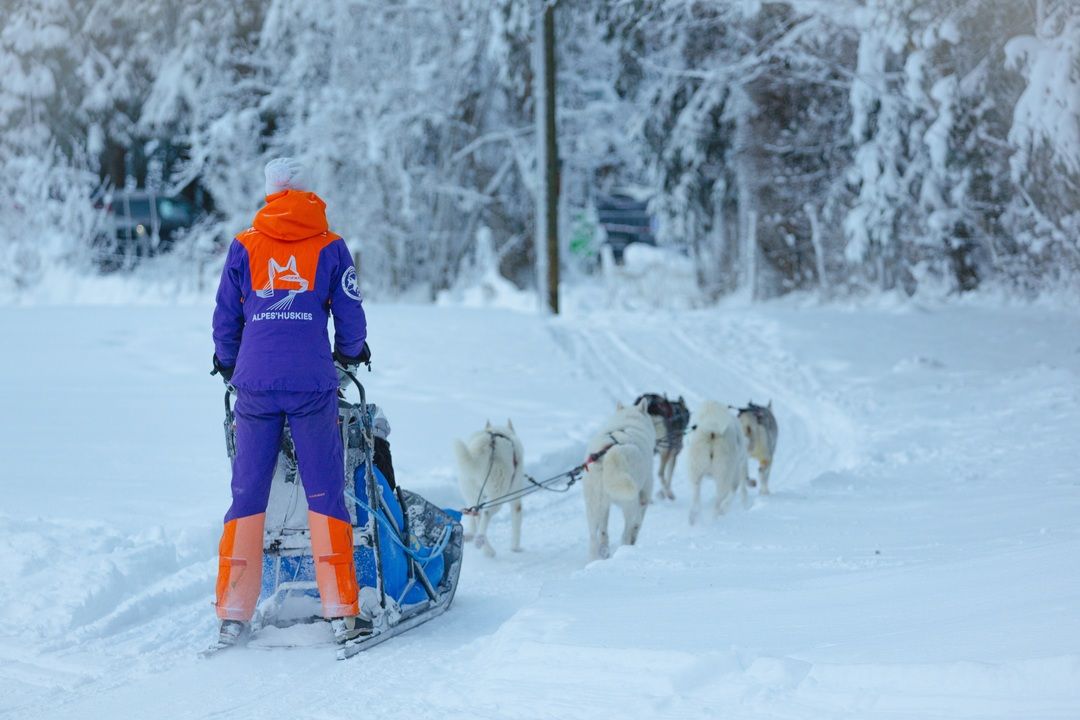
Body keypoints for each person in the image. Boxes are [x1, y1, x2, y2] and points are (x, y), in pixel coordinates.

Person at [210, 158, 371, 647]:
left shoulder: (245, 245)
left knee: (247, 496)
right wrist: (350, 353)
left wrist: (229, 362)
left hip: (254, 387)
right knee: (325, 493)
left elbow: (224, 316)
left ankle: (234, 612)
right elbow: (350, 310)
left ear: (270, 195)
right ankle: (342, 610)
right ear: (305, 194)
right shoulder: (330, 246)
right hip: (311, 385)